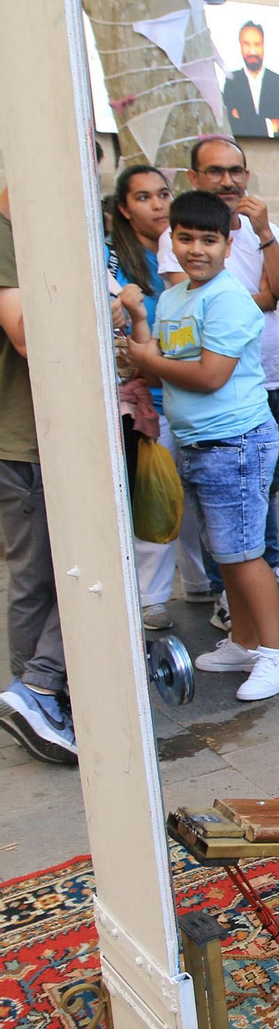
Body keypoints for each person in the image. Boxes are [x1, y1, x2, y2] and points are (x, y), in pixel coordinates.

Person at [125, 191, 279, 702]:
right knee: (226, 553)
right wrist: (137, 317)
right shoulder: (176, 298)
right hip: (200, 443)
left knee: (246, 554)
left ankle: (278, 653)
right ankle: (244, 642)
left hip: (236, 442)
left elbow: (209, 376)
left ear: (228, 245)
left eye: (209, 240)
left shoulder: (227, 299)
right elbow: (156, 358)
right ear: (171, 241)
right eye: (186, 238)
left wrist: (147, 359)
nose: (196, 249)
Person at [159, 137, 279, 631]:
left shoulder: (262, 231)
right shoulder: (184, 235)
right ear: (194, 178)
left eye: (236, 171)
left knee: (262, 490)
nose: (227, 181)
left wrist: (264, 234)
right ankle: (230, 598)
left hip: (267, 378)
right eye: (215, 171)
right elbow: (195, 307)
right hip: (214, 405)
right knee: (223, 513)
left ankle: (269, 578)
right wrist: (253, 299)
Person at [0, 185, 77, 764]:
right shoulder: (10, 237)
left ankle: (34, 700)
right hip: (28, 440)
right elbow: (28, 336)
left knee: (38, 577)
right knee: (72, 571)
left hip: (38, 436)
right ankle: (39, 691)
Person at [106, 164, 186, 631]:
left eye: (163, 194)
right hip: (143, 400)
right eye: (143, 197)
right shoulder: (112, 259)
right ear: (123, 208)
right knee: (152, 492)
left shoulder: (184, 246)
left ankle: (203, 585)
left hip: (190, 389)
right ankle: (151, 598)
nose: (158, 205)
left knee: (193, 500)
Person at [222, 20, 279, 139]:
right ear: (240, 46)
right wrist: (269, 126)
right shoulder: (232, 81)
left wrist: (243, 117)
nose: (252, 51)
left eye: (257, 44)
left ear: (263, 46)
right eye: (247, 44)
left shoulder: (278, 83)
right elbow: (229, 127)